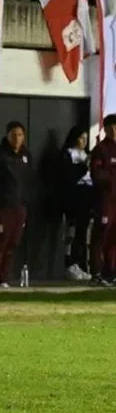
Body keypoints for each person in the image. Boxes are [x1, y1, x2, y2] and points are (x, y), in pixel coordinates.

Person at [0, 121, 32, 288]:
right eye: (14, 135)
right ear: (7, 136)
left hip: (19, 208)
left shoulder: (26, 157)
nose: (17, 138)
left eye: (20, 135)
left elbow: (29, 181)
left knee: (13, 243)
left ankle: (4, 278)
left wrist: (25, 202)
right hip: (3, 208)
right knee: (0, 243)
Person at [57, 125, 92, 282]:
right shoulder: (68, 154)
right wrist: (83, 167)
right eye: (81, 138)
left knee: (82, 234)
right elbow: (67, 177)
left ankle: (80, 264)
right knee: (71, 232)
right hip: (73, 197)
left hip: (87, 196)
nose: (84, 141)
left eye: (86, 138)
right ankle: (68, 264)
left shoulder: (86, 155)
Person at [89, 114, 116, 286]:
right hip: (105, 200)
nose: (114, 131)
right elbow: (96, 174)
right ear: (105, 129)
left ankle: (111, 271)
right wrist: (112, 179)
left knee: (114, 237)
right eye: (111, 127)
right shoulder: (100, 149)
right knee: (101, 235)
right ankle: (96, 273)